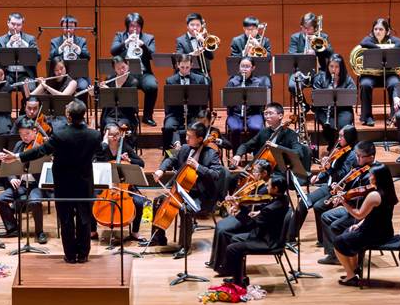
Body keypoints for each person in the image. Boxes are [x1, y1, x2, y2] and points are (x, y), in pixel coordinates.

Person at [1, 100, 104, 263]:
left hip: (63, 185)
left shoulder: (60, 135)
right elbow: (101, 154)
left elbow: (41, 151)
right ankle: (83, 255)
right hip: (85, 184)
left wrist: (18, 156)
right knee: (84, 219)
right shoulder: (95, 135)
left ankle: (70, 256)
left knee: (66, 220)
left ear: (68, 116)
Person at [145, 122, 224, 258]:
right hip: (182, 191)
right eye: (186, 136)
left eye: (190, 137)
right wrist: (160, 170)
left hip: (201, 195)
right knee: (158, 201)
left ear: (200, 139)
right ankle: (158, 238)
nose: (186, 139)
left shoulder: (212, 154)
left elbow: (216, 175)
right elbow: (171, 159)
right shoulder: (185, 149)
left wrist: (198, 167)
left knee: (184, 209)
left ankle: (185, 246)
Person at [212, 174, 291, 287]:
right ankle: (239, 277)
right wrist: (251, 211)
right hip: (270, 234)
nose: (266, 187)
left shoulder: (271, 208)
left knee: (232, 248)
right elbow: (265, 217)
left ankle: (238, 282)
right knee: (234, 238)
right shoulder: (283, 199)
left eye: (268, 185)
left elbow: (251, 225)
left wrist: (239, 211)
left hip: (267, 241)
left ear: (276, 188)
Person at [331, 163, 399, 287]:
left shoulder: (374, 195)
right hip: (384, 231)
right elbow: (375, 215)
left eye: (371, 174)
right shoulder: (388, 191)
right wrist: (360, 224)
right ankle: (355, 269)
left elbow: (358, 214)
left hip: (373, 234)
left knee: (337, 242)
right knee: (348, 232)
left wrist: (344, 203)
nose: (369, 176)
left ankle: (350, 276)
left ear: (378, 177)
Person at [317, 141, 377, 264]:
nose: (357, 158)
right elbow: (352, 188)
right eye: (356, 155)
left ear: (371, 157)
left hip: (365, 213)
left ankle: (347, 252)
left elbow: (365, 198)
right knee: (325, 216)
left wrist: (345, 198)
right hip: (353, 207)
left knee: (335, 225)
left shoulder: (375, 174)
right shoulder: (359, 167)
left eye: (360, 156)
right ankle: (333, 254)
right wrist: (341, 189)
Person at [231, 102, 309, 193]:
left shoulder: (290, 134)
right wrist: (238, 155)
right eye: (265, 113)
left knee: (260, 191)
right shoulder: (263, 132)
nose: (267, 116)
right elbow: (245, 145)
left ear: (280, 116)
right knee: (233, 179)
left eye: (270, 113)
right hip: (259, 170)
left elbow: (298, 153)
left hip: (279, 173)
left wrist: (276, 147)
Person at [307, 125, 359, 253]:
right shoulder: (338, 149)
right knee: (309, 202)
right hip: (330, 186)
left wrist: (328, 167)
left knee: (319, 206)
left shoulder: (351, 154)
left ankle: (325, 242)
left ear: (349, 137)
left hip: (340, 188)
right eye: (339, 135)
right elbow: (332, 169)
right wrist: (321, 175)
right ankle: (321, 239)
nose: (339, 138)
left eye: (342, 136)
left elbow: (341, 175)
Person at [92, 123, 147, 241]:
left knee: (139, 201)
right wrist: (104, 143)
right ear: (106, 135)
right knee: (91, 199)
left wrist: (129, 159)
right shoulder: (102, 148)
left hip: (124, 187)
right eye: (111, 135)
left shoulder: (125, 146)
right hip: (105, 186)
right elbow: (94, 162)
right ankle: (92, 231)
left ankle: (135, 232)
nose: (115, 137)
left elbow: (141, 163)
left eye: (117, 134)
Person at [0, 120, 48, 243]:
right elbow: (11, 163)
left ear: (35, 132)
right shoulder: (19, 145)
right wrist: (12, 177)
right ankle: (13, 228)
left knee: (35, 201)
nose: (24, 137)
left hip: (37, 185)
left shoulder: (41, 147)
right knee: (0, 199)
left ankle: (39, 232)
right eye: (21, 134)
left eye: (27, 133)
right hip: (22, 184)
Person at [109, 12, 158, 126]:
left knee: (152, 86)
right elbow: (113, 51)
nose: (134, 29)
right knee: (129, 86)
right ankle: (128, 115)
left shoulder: (148, 38)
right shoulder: (120, 36)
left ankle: (147, 116)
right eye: (132, 26)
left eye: (137, 26)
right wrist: (126, 42)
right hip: (125, 73)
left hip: (143, 72)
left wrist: (143, 46)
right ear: (127, 26)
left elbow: (152, 55)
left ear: (141, 26)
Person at [356, 17, 400, 126]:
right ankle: (367, 116)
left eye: (381, 29)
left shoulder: (391, 40)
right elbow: (363, 42)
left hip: (388, 74)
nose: (377, 31)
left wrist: (388, 49)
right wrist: (381, 48)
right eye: (375, 29)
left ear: (387, 31)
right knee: (365, 84)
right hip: (370, 75)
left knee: (395, 84)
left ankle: (394, 115)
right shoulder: (369, 39)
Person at [162, 53, 208, 152]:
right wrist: (168, 116)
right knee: (168, 127)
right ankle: (169, 154)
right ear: (177, 65)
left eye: (187, 67)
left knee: (197, 129)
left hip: (193, 113)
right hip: (175, 113)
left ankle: (196, 153)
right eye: (182, 67)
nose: (184, 70)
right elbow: (168, 102)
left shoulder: (199, 79)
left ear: (191, 65)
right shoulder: (170, 80)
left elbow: (203, 101)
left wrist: (201, 116)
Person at [311, 54, 356, 149]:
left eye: (336, 67)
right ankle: (332, 143)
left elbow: (352, 96)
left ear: (341, 67)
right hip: (324, 110)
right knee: (329, 126)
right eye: (331, 66)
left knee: (343, 124)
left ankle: (342, 146)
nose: (333, 69)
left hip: (343, 109)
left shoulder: (347, 80)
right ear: (328, 67)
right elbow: (315, 98)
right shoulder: (320, 78)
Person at [225, 57, 270, 146]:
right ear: (239, 67)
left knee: (256, 127)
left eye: (247, 66)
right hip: (235, 114)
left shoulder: (258, 82)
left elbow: (262, 102)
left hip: (253, 113)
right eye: (242, 66)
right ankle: (236, 155)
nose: (244, 69)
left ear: (253, 68)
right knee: (235, 128)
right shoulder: (232, 82)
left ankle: (256, 154)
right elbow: (228, 103)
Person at [48, 15, 91, 90]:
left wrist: (76, 48)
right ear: (61, 27)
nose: (68, 30)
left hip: (78, 76)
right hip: (61, 76)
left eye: (71, 27)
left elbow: (87, 57)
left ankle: (81, 102)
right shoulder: (55, 41)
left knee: (83, 87)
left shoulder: (81, 41)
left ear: (75, 28)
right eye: (66, 27)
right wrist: (61, 47)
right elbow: (51, 57)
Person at [0, 12, 39, 83]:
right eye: (13, 24)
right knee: (2, 89)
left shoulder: (30, 39)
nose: (15, 27)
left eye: (18, 25)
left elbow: (38, 57)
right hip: (7, 74)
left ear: (22, 25)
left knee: (30, 89)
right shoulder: (0, 40)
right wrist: (9, 44)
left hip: (25, 74)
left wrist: (24, 44)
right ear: (8, 23)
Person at [100, 56, 141, 129]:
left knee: (120, 126)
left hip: (126, 114)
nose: (122, 70)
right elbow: (103, 100)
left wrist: (109, 91)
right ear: (114, 69)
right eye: (118, 69)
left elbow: (128, 102)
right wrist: (95, 93)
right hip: (110, 113)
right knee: (110, 126)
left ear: (127, 65)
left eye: (123, 67)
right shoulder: (109, 79)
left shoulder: (133, 82)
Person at [174, 12, 215, 79]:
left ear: (201, 26)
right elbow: (179, 58)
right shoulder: (180, 40)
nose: (195, 27)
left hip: (203, 73)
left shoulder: (205, 39)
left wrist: (203, 41)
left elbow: (211, 56)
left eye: (197, 25)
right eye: (192, 25)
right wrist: (192, 54)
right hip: (188, 72)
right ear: (187, 26)